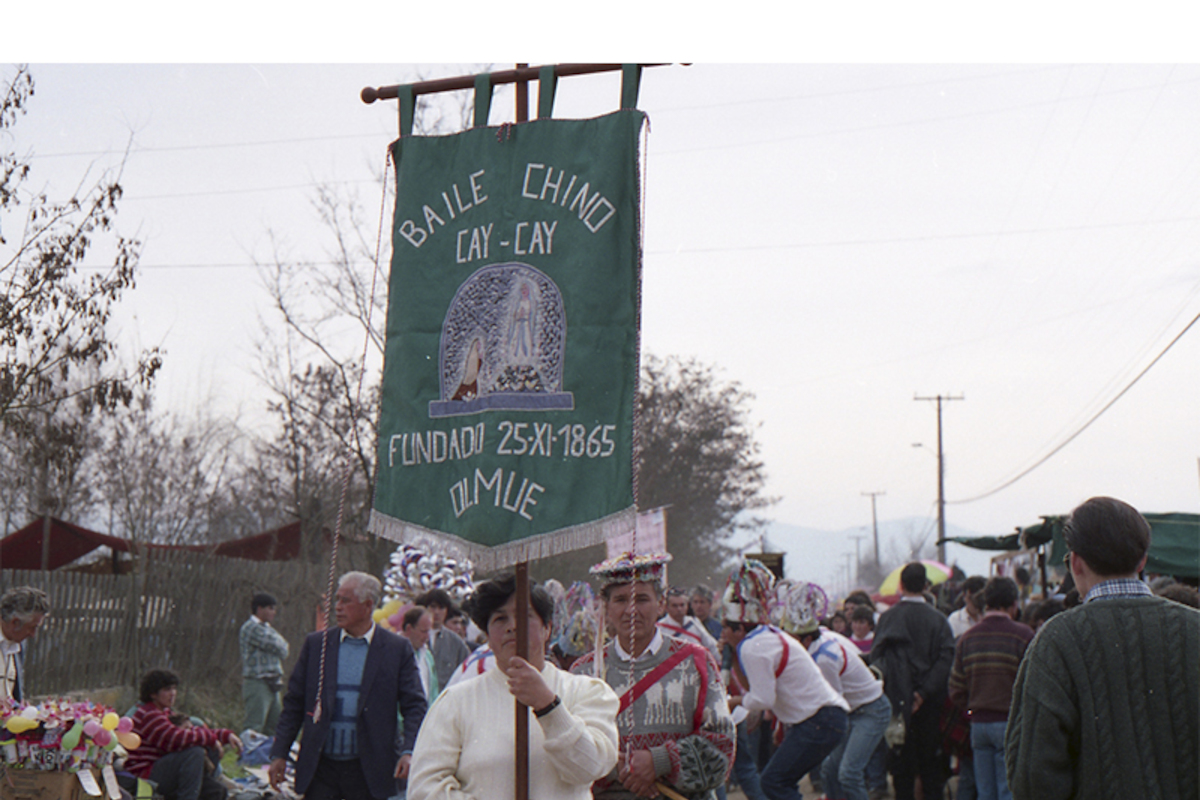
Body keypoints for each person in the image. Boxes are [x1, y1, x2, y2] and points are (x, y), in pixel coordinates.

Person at [1006, 496, 1200, 800]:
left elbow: (1033, 775)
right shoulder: (1194, 629)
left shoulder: (1056, 641)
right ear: (1142, 560)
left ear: (1076, 562)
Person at [407, 575, 619, 800]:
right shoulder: (456, 701)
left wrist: (548, 706)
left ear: (547, 629)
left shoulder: (588, 692)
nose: (512, 627)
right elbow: (424, 788)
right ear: (487, 636)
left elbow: (590, 767)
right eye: (500, 619)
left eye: (524, 616)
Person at [571, 552, 735, 800]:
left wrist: (660, 761)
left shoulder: (696, 662)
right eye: (620, 600)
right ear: (605, 606)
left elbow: (722, 747)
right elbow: (568, 751)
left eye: (642, 599)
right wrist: (614, 765)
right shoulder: (582, 673)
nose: (631, 610)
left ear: (661, 604)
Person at [268, 571, 428, 800]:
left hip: (369, 770)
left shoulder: (396, 649)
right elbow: (294, 703)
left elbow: (415, 706)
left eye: (346, 600)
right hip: (321, 769)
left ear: (367, 605)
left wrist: (409, 750)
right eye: (337, 599)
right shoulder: (317, 645)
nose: (338, 607)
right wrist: (279, 753)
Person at [722, 562, 849, 800]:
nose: (722, 632)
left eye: (726, 627)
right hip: (823, 719)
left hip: (820, 720)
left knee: (774, 781)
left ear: (740, 629)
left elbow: (762, 699)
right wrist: (734, 657)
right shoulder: (761, 639)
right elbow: (756, 689)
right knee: (777, 781)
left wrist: (732, 702)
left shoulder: (754, 646)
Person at [780, 582, 890, 800]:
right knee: (829, 769)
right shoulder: (818, 641)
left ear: (807, 638)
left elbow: (832, 704)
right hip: (852, 711)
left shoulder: (823, 658)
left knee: (849, 773)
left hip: (870, 711)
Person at [869, 562, 956, 800]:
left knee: (901, 766)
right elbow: (946, 658)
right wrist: (924, 692)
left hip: (896, 703)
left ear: (901, 584)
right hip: (931, 704)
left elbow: (877, 659)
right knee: (931, 766)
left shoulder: (888, 619)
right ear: (925, 585)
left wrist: (905, 693)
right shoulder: (938, 620)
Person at [947, 577, 1032, 800]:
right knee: (1007, 790)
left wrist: (970, 709)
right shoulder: (1023, 636)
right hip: (1010, 723)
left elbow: (955, 687)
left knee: (985, 792)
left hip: (978, 725)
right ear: (1014, 603)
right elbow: (1033, 684)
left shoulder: (968, 638)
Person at [125, 669, 242, 800]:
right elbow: (177, 739)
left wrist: (224, 735)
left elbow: (190, 732)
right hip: (145, 774)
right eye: (167, 690)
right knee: (195, 752)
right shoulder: (149, 714)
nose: (173, 694)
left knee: (217, 790)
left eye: (174, 689)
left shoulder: (165, 713)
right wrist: (211, 738)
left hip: (163, 769)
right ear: (153, 693)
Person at [239, 591, 289, 735]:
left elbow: (285, 649)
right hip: (257, 682)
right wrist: (280, 643)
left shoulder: (268, 629)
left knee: (274, 727)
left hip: (273, 684)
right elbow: (276, 645)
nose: (274, 612)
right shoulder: (250, 628)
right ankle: (247, 757)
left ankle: (266, 757)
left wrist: (281, 644)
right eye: (271, 608)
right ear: (259, 609)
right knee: (254, 726)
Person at [415, 588, 472, 693]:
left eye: (441, 608)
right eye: (433, 607)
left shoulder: (456, 642)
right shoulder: (413, 636)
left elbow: (468, 671)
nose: (436, 612)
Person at [0, 586, 50, 702]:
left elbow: (15, 695)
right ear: (15, 622)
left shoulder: (18, 645)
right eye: (32, 628)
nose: (33, 635)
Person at [658, 586, 721, 658]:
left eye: (682, 605)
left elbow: (712, 647)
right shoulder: (660, 628)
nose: (679, 609)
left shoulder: (693, 622)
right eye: (674, 606)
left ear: (687, 605)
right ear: (666, 607)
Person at [401, 605, 440, 704]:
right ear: (409, 629)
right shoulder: (393, 654)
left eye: (429, 631)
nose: (427, 637)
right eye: (423, 631)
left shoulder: (428, 656)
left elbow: (434, 690)